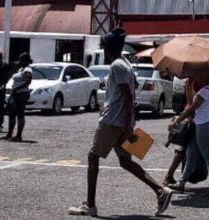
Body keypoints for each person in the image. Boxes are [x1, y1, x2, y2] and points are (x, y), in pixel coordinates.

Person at [68, 28, 172, 217]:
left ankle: (90, 205)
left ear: (108, 49)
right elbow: (127, 93)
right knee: (125, 161)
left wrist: (127, 126)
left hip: (113, 123)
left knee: (93, 157)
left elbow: (127, 97)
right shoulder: (126, 64)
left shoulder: (117, 65)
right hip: (120, 120)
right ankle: (160, 191)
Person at [170, 75, 209, 196]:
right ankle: (181, 183)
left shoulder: (203, 92)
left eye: (198, 77)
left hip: (202, 125)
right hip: (206, 123)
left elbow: (191, 109)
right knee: (191, 154)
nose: (196, 80)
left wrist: (176, 122)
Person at [1, 53, 33, 142]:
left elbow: (27, 81)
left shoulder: (27, 70)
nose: (19, 61)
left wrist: (16, 88)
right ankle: (9, 133)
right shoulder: (20, 69)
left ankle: (19, 135)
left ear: (25, 60)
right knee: (11, 113)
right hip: (15, 94)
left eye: (21, 60)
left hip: (21, 94)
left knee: (20, 114)